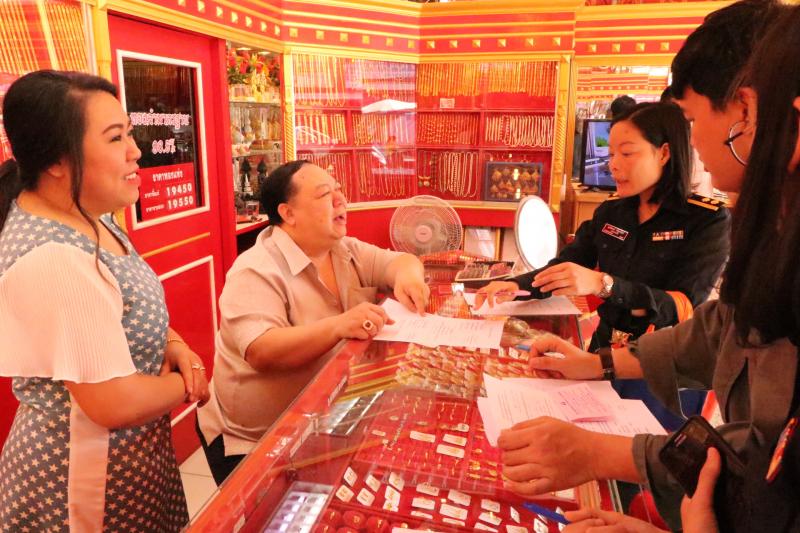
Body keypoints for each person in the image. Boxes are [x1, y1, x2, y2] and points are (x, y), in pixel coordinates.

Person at [499, 1, 799, 531]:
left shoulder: (712, 219)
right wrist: (596, 361)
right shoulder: (616, 213)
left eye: (692, 119)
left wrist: (607, 454)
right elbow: (722, 327)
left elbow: (773, 459)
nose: (695, 140)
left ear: (747, 112)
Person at [0, 71, 210, 531]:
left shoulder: (93, 216)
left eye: (129, 133)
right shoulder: (53, 258)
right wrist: (192, 380)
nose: (135, 151)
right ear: (57, 159)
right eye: (115, 138)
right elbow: (114, 401)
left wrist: (174, 345)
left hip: (133, 466)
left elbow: (129, 312)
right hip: (83, 483)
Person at [477, 101, 729, 429]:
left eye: (627, 153)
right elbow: (568, 264)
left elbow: (680, 307)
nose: (613, 165)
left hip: (656, 368)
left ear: (664, 153)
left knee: (642, 449)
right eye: (610, 154)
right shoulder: (612, 211)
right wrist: (517, 285)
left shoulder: (706, 220)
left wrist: (603, 284)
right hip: (600, 353)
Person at [197, 160, 429, 485]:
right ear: (288, 213)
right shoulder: (255, 269)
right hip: (254, 441)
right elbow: (261, 349)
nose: (340, 200)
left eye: (339, 191)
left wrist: (409, 278)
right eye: (324, 195)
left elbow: (401, 261)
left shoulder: (343, 250)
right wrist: (338, 326)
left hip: (321, 422)